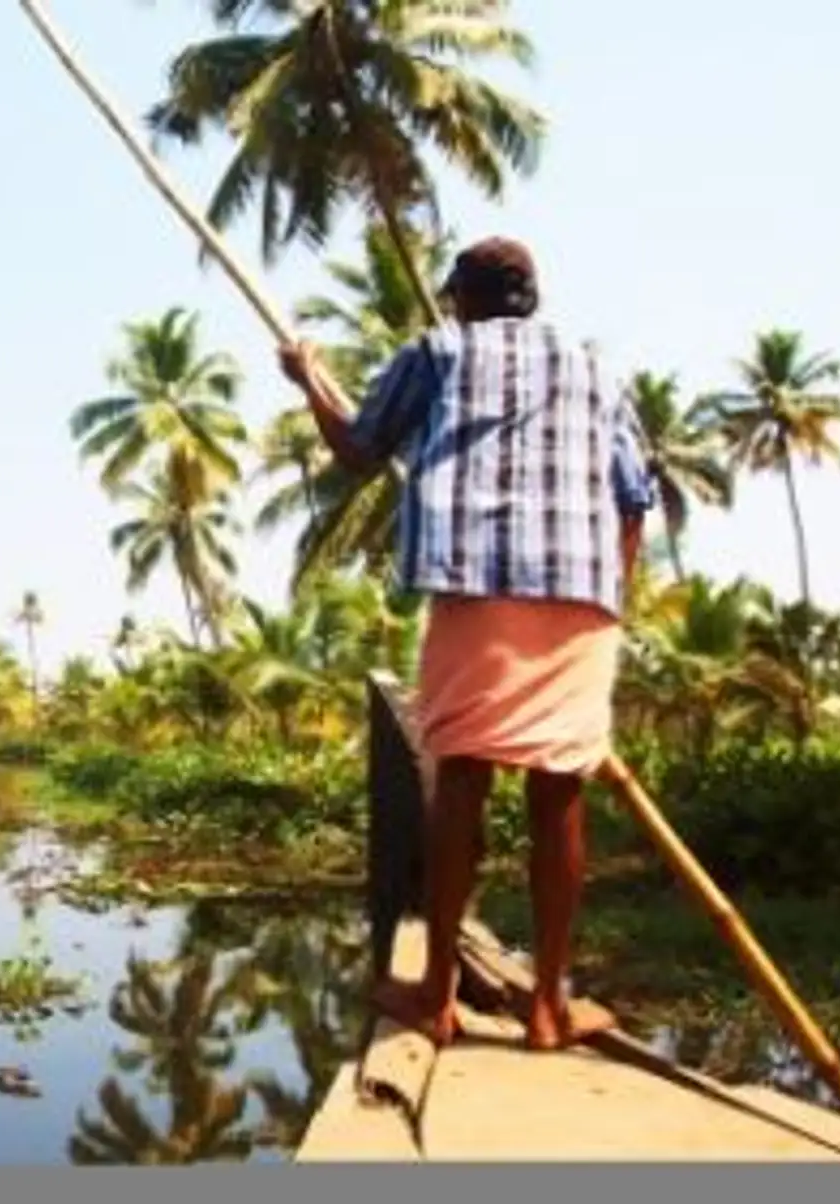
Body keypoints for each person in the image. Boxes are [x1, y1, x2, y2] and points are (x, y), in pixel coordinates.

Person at [277, 237, 654, 1052]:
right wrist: (611, 601)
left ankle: (437, 995)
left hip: (479, 582)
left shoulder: (438, 350)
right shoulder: (599, 370)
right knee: (560, 793)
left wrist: (307, 377)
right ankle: (549, 1007)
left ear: (464, 298)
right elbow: (635, 501)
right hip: (584, 594)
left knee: (463, 778)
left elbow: (359, 448)